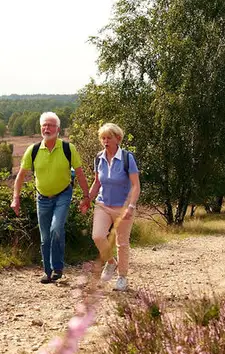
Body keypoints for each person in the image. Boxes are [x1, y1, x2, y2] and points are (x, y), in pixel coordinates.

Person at [11, 111, 84, 284]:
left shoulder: (68, 148)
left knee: (56, 228)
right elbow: (20, 176)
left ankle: (57, 267)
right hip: (42, 197)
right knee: (45, 237)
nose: (47, 128)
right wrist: (16, 197)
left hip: (63, 194)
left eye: (50, 125)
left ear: (58, 129)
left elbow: (80, 174)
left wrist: (87, 196)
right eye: (44, 125)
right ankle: (48, 272)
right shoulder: (33, 150)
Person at [80, 122, 139, 291]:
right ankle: (111, 263)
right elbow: (97, 182)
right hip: (103, 204)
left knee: (122, 243)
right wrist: (87, 199)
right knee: (98, 236)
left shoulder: (127, 158)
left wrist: (131, 206)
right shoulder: (99, 158)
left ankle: (122, 278)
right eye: (103, 138)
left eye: (109, 138)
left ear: (118, 139)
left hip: (123, 208)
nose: (105, 141)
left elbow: (136, 185)